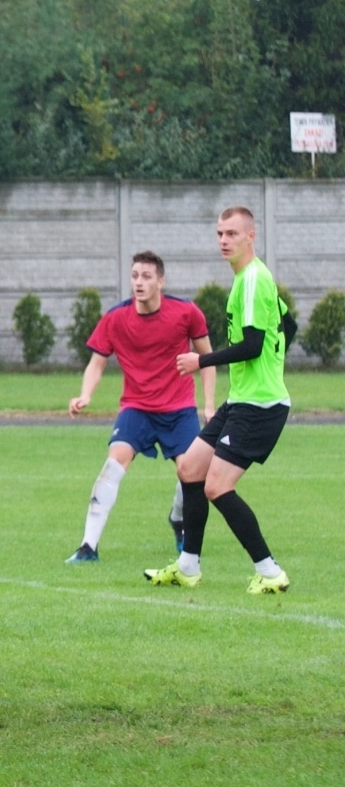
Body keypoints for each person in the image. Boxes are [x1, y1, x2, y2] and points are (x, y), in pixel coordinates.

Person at [147, 207, 292, 594]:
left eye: (231, 233)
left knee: (216, 487)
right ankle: (188, 566)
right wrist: (275, 363)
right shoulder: (253, 278)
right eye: (219, 234)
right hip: (243, 399)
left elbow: (252, 345)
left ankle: (270, 571)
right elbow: (286, 324)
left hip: (259, 406)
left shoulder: (250, 280)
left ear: (251, 236)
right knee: (190, 469)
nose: (224, 241)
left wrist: (201, 361)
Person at [66, 252, 215, 563]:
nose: (139, 282)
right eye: (134, 276)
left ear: (160, 281)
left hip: (179, 408)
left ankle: (177, 519)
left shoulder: (186, 313)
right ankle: (88, 547)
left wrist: (209, 405)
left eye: (146, 276)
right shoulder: (116, 318)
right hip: (136, 408)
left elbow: (207, 360)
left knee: (191, 473)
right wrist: (85, 395)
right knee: (112, 466)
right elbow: (96, 364)